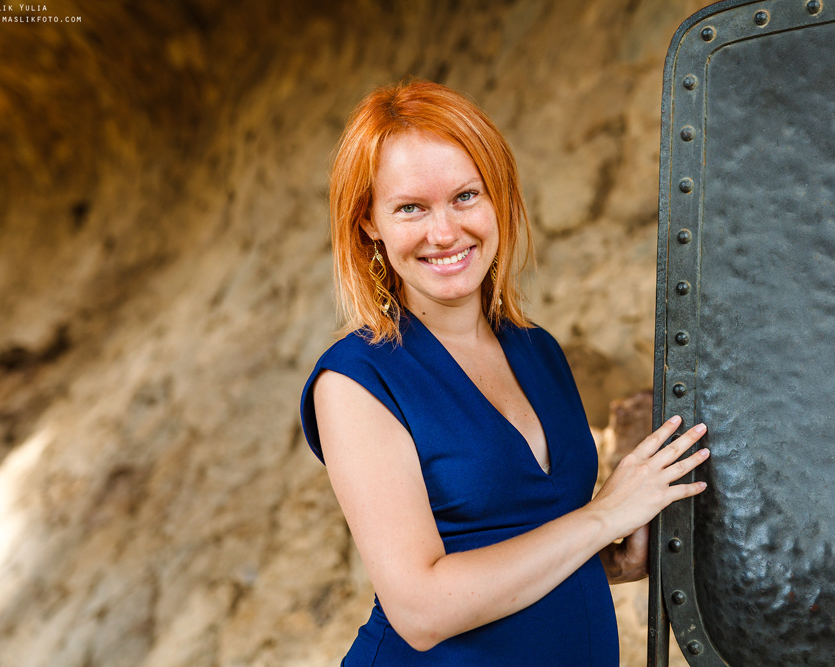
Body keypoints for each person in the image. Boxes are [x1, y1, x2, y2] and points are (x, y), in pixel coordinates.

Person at [300, 79, 709, 666]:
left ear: (499, 197)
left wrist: (609, 559)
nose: (444, 232)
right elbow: (421, 609)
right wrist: (603, 517)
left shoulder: (538, 352)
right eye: (410, 207)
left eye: (465, 196)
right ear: (370, 223)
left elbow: (521, 545)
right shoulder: (356, 381)